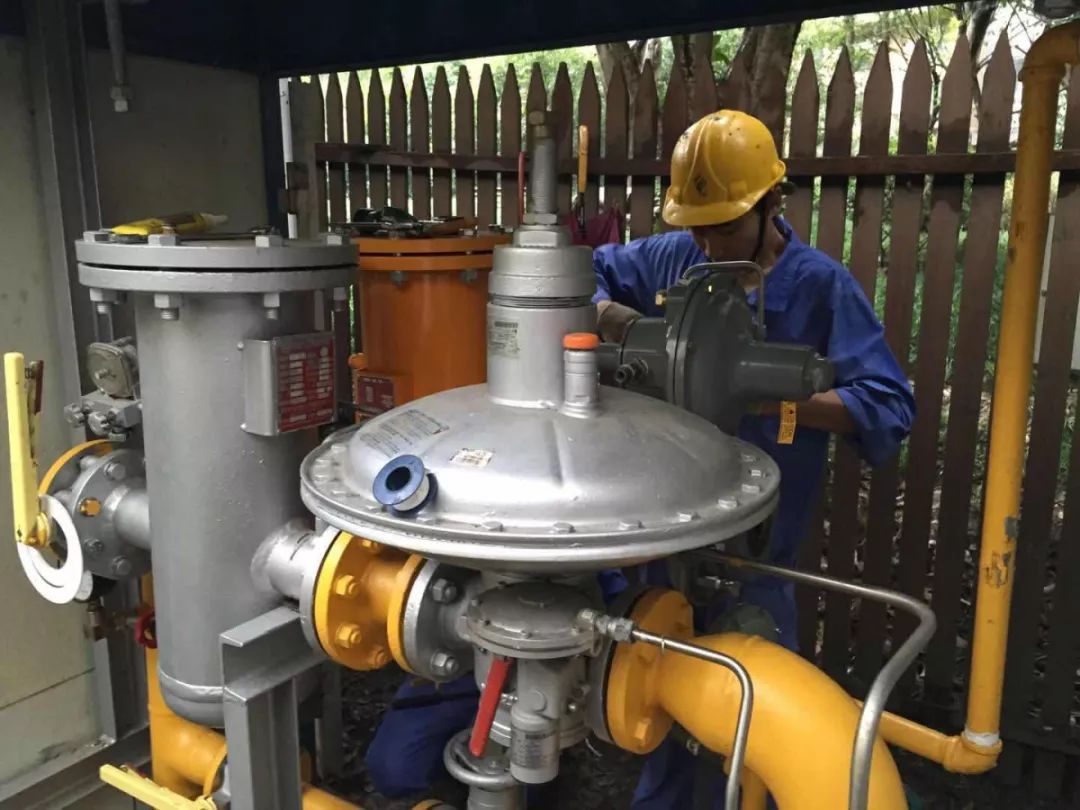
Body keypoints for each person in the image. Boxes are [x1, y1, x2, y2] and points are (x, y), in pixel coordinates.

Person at [593, 109, 915, 808]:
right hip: (666, 530)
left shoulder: (821, 287)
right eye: (696, 225)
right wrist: (609, 314)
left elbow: (889, 404)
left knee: (755, 727)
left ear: (772, 204)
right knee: (660, 700)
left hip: (757, 557)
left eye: (723, 225)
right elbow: (589, 269)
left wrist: (766, 395)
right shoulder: (673, 259)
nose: (707, 243)